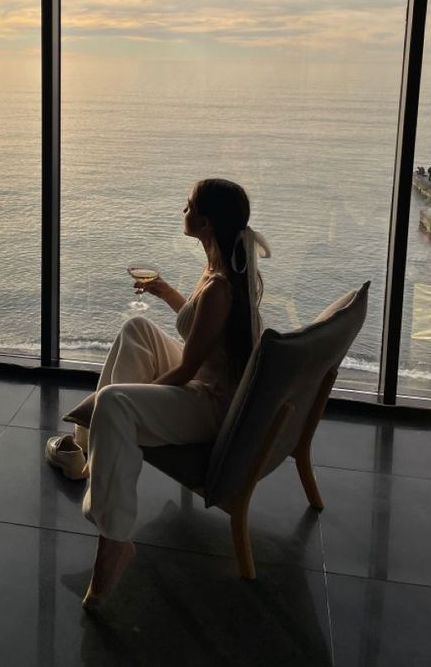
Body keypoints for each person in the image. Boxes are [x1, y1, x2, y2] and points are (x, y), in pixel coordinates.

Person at [45, 178, 270, 609]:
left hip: (211, 403)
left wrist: (132, 396)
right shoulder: (222, 264)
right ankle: (87, 451)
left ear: (205, 221)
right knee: (138, 329)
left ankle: (114, 543)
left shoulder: (222, 285)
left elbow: (187, 367)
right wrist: (166, 291)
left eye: (188, 207)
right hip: (208, 375)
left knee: (115, 402)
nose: (182, 212)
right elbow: (203, 330)